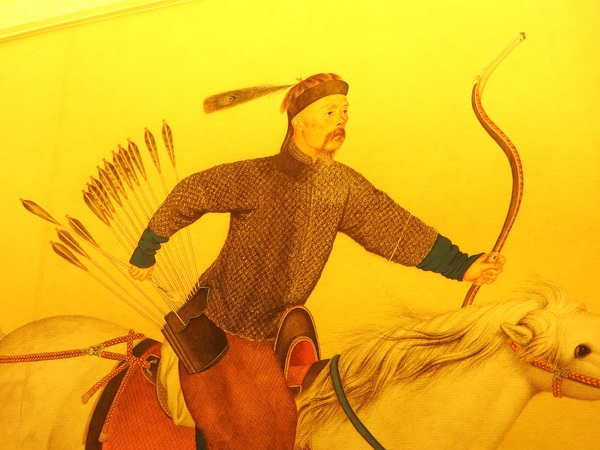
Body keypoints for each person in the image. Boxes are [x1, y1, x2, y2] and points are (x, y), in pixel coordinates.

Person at [128, 73, 505, 449]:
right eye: (329, 112)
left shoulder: (342, 185)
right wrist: (147, 250)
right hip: (220, 325)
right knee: (250, 433)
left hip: (274, 331)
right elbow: (192, 192)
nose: (341, 120)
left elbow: (394, 229)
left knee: (289, 427)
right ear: (299, 122)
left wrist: (462, 266)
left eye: (345, 112)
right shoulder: (257, 176)